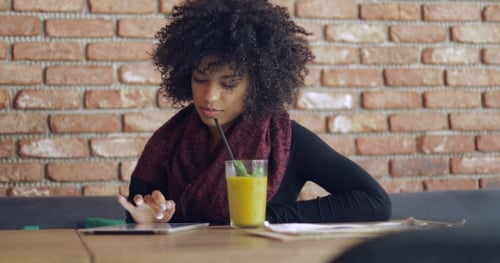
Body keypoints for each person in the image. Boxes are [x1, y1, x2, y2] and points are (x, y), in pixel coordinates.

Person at [118, 0, 391, 225]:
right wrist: (150, 221)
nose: (209, 95)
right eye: (200, 79)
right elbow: (136, 217)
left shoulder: (284, 140)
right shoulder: (167, 143)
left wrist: (268, 217)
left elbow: (375, 201)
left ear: (256, 85)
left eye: (229, 84)